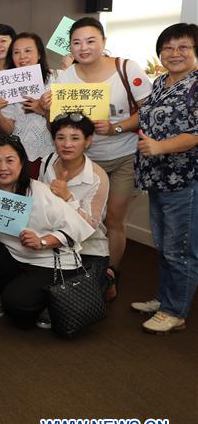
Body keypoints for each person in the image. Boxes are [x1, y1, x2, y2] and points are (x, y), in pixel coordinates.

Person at [42, 17, 152, 300]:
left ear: (103, 42)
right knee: (84, 217)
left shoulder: (126, 68)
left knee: (114, 219)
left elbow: (149, 111)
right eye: (77, 42)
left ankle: (110, 274)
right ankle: (80, 272)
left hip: (124, 155)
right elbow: (58, 123)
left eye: (91, 41)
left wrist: (117, 127)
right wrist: (47, 110)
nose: (84, 48)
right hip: (86, 161)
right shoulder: (63, 77)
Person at [0, 135, 94, 328]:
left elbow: (75, 228)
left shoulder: (38, 191)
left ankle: (52, 301)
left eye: (10, 160)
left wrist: (42, 241)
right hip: (17, 258)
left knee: (17, 307)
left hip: (50, 263)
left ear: (22, 163)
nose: (3, 167)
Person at [132, 23, 198, 334]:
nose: (174, 54)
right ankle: (165, 299)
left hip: (185, 179)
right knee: (163, 245)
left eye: (183, 47)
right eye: (168, 48)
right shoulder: (160, 83)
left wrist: (160, 147)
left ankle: (175, 311)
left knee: (180, 248)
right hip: (157, 178)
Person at [39, 113, 109, 275]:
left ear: (88, 141)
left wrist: (67, 197)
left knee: (75, 295)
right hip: (51, 239)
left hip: (87, 248)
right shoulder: (48, 162)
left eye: (75, 138)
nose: (67, 144)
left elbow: (90, 226)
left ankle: (108, 278)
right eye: (60, 137)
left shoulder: (97, 177)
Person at [0, 33, 54, 177]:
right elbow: (7, 130)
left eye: (28, 51)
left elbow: (61, 129)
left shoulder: (55, 79)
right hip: (18, 155)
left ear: (39, 54)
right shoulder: (6, 83)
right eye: (16, 52)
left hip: (49, 154)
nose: (22, 56)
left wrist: (44, 111)